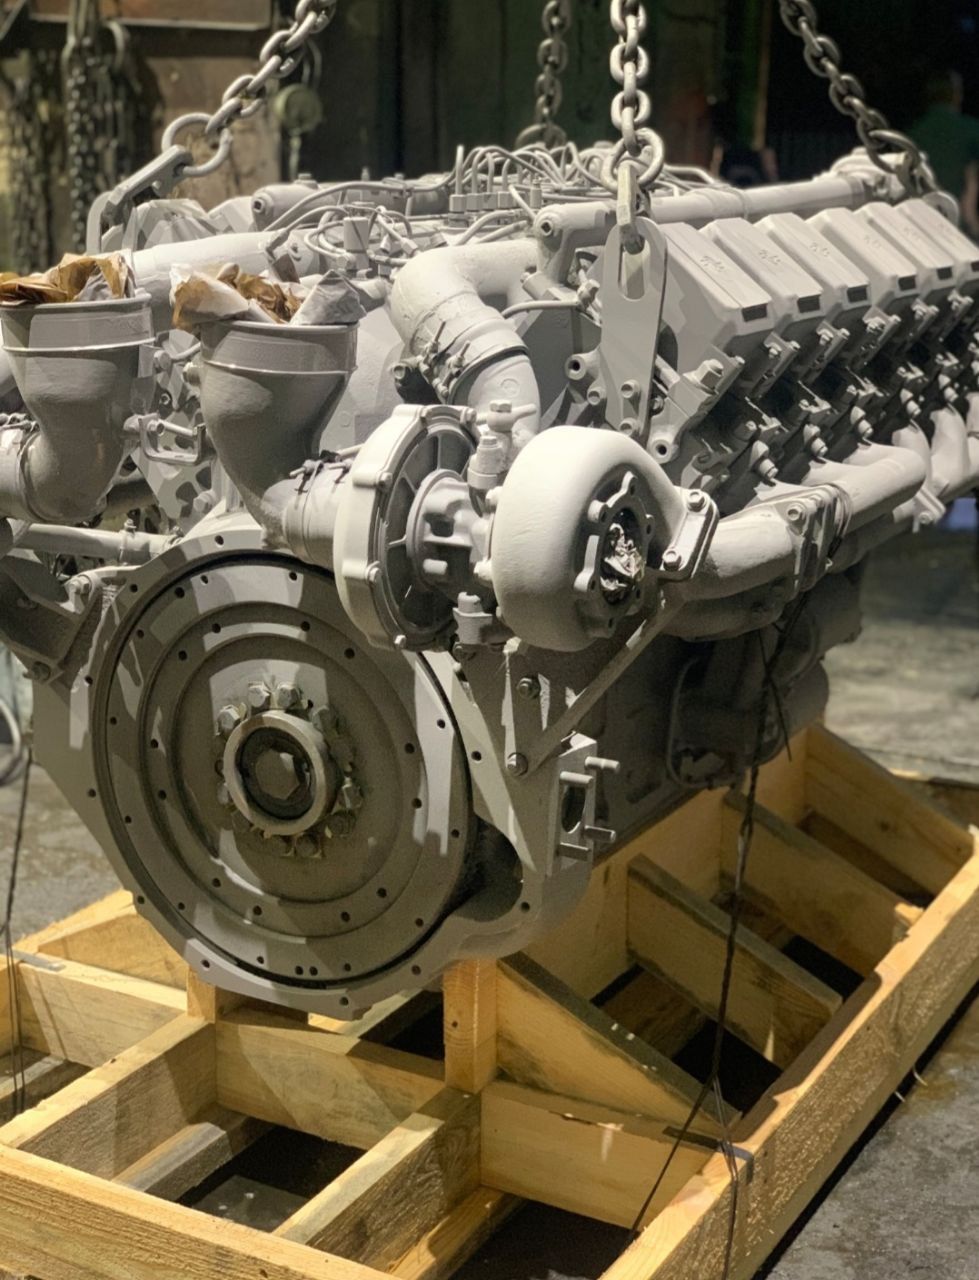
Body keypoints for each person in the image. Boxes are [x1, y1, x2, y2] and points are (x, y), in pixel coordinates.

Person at [910, 70, 979, 235]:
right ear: (957, 95)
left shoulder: (911, 134)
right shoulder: (972, 130)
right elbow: (971, 184)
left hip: (921, 225)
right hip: (962, 228)